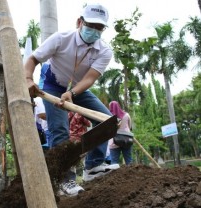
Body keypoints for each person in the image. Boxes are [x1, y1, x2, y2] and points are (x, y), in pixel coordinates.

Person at [25, 3, 119, 196]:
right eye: (91, 25)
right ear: (79, 22)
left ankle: (93, 167)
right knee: (59, 129)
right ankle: (64, 181)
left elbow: (90, 78)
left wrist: (72, 94)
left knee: (107, 120)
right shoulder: (61, 38)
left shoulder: (104, 51)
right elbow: (32, 59)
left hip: (77, 88)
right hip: (52, 82)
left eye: (99, 27)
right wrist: (27, 79)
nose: (94, 30)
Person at [108, 101, 133, 165]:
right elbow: (130, 126)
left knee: (114, 162)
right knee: (129, 161)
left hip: (114, 141)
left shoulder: (108, 117)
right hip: (126, 140)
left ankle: (114, 174)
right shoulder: (126, 115)